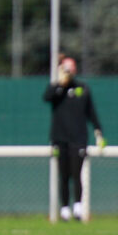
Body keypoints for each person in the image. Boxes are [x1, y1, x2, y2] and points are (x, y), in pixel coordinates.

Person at [42, 56, 105, 221]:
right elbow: (46, 97)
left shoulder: (82, 88)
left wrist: (98, 131)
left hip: (78, 138)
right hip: (59, 138)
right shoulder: (56, 89)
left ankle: (77, 207)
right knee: (64, 175)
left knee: (77, 174)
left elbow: (91, 112)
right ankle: (64, 209)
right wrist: (60, 84)